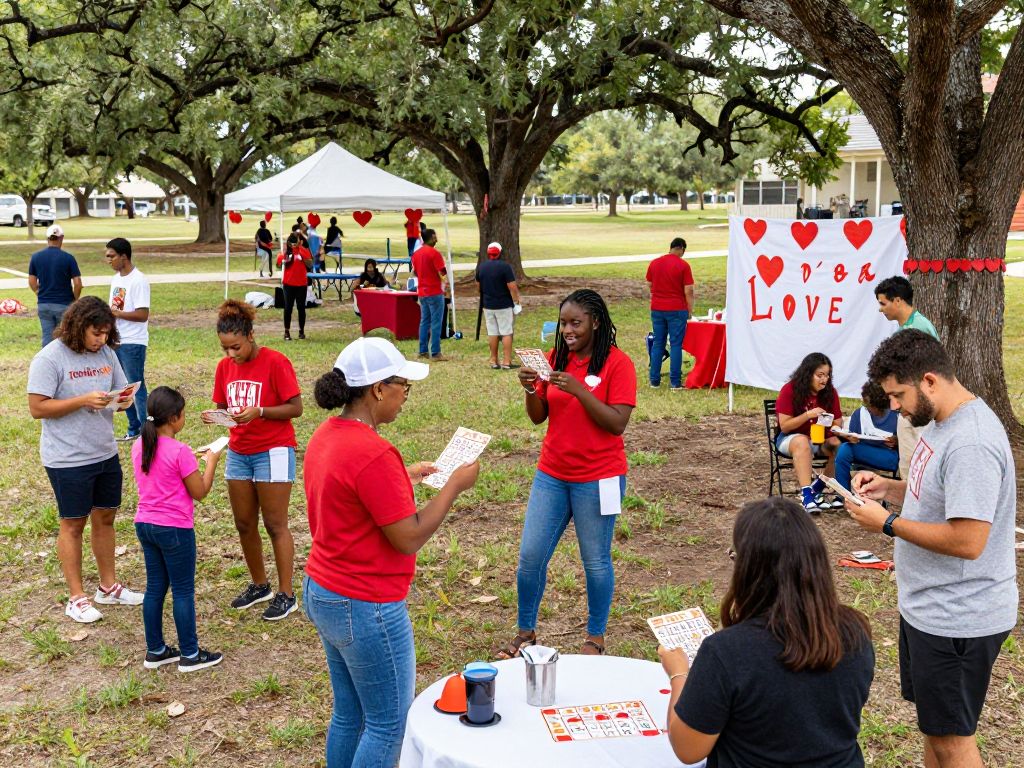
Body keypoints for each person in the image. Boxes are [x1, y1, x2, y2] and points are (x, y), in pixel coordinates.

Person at [303, 337, 479, 767]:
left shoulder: (328, 435)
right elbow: (409, 536)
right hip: (366, 604)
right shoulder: (374, 452)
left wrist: (402, 476)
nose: (405, 396)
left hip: (323, 589)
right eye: (403, 385)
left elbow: (350, 492)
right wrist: (454, 485)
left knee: (350, 714)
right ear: (379, 389)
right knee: (387, 725)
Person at [847, 329, 1017, 768]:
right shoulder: (942, 423)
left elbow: (968, 539)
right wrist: (891, 487)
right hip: (931, 609)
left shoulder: (971, 442)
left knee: (953, 740)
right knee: (936, 730)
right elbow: (939, 497)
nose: (896, 407)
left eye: (898, 396)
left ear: (928, 380)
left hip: (959, 617)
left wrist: (886, 523)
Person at [659, 496, 874, 767]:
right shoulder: (856, 632)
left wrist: (679, 674)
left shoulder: (726, 651)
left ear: (748, 568)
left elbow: (688, 750)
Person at [504, 289, 636, 657]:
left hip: (599, 477)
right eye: (563, 323)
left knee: (595, 560)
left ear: (595, 322)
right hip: (553, 474)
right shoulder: (553, 359)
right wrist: (531, 389)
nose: (568, 330)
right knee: (531, 556)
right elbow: (537, 416)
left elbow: (617, 423)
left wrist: (580, 391)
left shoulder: (617, 364)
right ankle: (525, 632)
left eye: (576, 323)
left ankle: (595, 637)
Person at [27, 296, 143, 623]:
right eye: (96, 333)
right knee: (74, 523)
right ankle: (76, 597)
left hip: (103, 451)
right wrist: (81, 400)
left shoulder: (106, 353)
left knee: (105, 518)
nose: (101, 340)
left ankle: (108, 587)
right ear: (78, 327)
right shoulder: (50, 358)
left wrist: (121, 401)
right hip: (66, 457)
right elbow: (37, 408)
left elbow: (120, 394)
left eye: (106, 333)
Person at [204, 300, 303, 621]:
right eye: (224, 348)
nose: (230, 354)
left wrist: (260, 411)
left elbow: (295, 407)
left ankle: (287, 594)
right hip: (239, 452)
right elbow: (223, 403)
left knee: (275, 524)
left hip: (273, 451)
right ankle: (260, 585)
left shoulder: (276, 362)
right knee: (244, 523)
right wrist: (218, 417)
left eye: (235, 347)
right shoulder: (224, 368)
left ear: (250, 335)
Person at [133, 386, 224, 672]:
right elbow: (200, 492)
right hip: (174, 529)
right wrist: (211, 462)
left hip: (145, 524)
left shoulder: (140, 445)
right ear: (174, 418)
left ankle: (156, 650)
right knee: (183, 590)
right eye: (183, 414)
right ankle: (190, 653)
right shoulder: (180, 451)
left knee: (155, 588)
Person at [874, 276, 939, 479]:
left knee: (918, 463)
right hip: (912, 404)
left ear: (898, 301)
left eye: (883, 303)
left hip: (920, 406)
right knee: (909, 462)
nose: (880, 309)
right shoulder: (909, 326)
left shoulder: (916, 328)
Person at [774, 352, 844, 513]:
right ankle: (807, 495)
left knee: (838, 445)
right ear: (808, 373)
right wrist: (807, 415)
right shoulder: (790, 390)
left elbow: (838, 422)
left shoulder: (830, 392)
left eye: (827, 375)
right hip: (790, 439)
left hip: (819, 439)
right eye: (820, 375)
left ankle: (817, 488)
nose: (824, 379)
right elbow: (785, 426)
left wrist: (834, 427)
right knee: (801, 441)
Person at [105, 237, 151, 440]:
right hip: (116, 340)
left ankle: (146, 433)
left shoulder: (138, 280)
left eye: (111, 256)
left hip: (133, 342)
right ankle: (133, 428)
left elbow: (142, 315)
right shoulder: (116, 279)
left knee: (136, 387)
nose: (108, 260)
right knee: (121, 388)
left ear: (124, 256)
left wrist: (116, 314)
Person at [646, 237, 694, 390]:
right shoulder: (683, 265)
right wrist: (689, 309)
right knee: (675, 345)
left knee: (658, 344)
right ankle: (675, 382)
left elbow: (649, 284)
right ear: (681, 248)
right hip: (677, 309)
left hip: (657, 308)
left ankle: (654, 380)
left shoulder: (654, 263)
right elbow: (689, 290)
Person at [833, 379, 898, 491]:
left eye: (869, 405)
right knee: (844, 449)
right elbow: (853, 440)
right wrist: (849, 438)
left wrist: (897, 441)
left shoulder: (897, 415)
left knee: (846, 450)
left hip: (889, 456)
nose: (866, 407)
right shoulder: (859, 414)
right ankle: (843, 494)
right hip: (865, 452)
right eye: (865, 403)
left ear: (879, 404)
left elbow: (909, 442)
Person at [27, 224, 82, 348]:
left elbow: (31, 281)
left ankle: (47, 364)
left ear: (47, 238)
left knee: (47, 338)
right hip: (64, 304)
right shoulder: (68, 258)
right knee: (64, 338)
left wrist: (38, 292)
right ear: (61, 238)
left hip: (44, 304)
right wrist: (74, 300)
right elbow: (78, 284)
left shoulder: (36, 257)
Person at [475, 241, 522, 370]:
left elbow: (478, 287)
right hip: (503, 305)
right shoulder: (505, 267)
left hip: (488, 305)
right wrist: (516, 302)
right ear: (500, 253)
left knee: (492, 332)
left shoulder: (482, 267)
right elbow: (512, 287)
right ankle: (507, 362)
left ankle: (494, 360)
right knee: (506, 332)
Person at [412, 228, 449, 361]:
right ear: (432, 237)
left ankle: (422, 351)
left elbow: (415, 272)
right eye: (436, 236)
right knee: (436, 322)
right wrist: (447, 283)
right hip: (434, 291)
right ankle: (435, 352)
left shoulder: (416, 254)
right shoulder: (434, 253)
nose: (437, 238)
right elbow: (442, 271)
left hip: (422, 291)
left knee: (424, 321)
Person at [277, 234, 313, 341]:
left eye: (296, 241)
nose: (294, 243)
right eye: (292, 242)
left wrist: (301, 250)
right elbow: (278, 264)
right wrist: (283, 254)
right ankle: (286, 332)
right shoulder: (287, 252)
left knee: (301, 308)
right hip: (288, 285)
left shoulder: (303, 251)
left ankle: (301, 331)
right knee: (288, 308)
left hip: (301, 284)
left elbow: (310, 265)